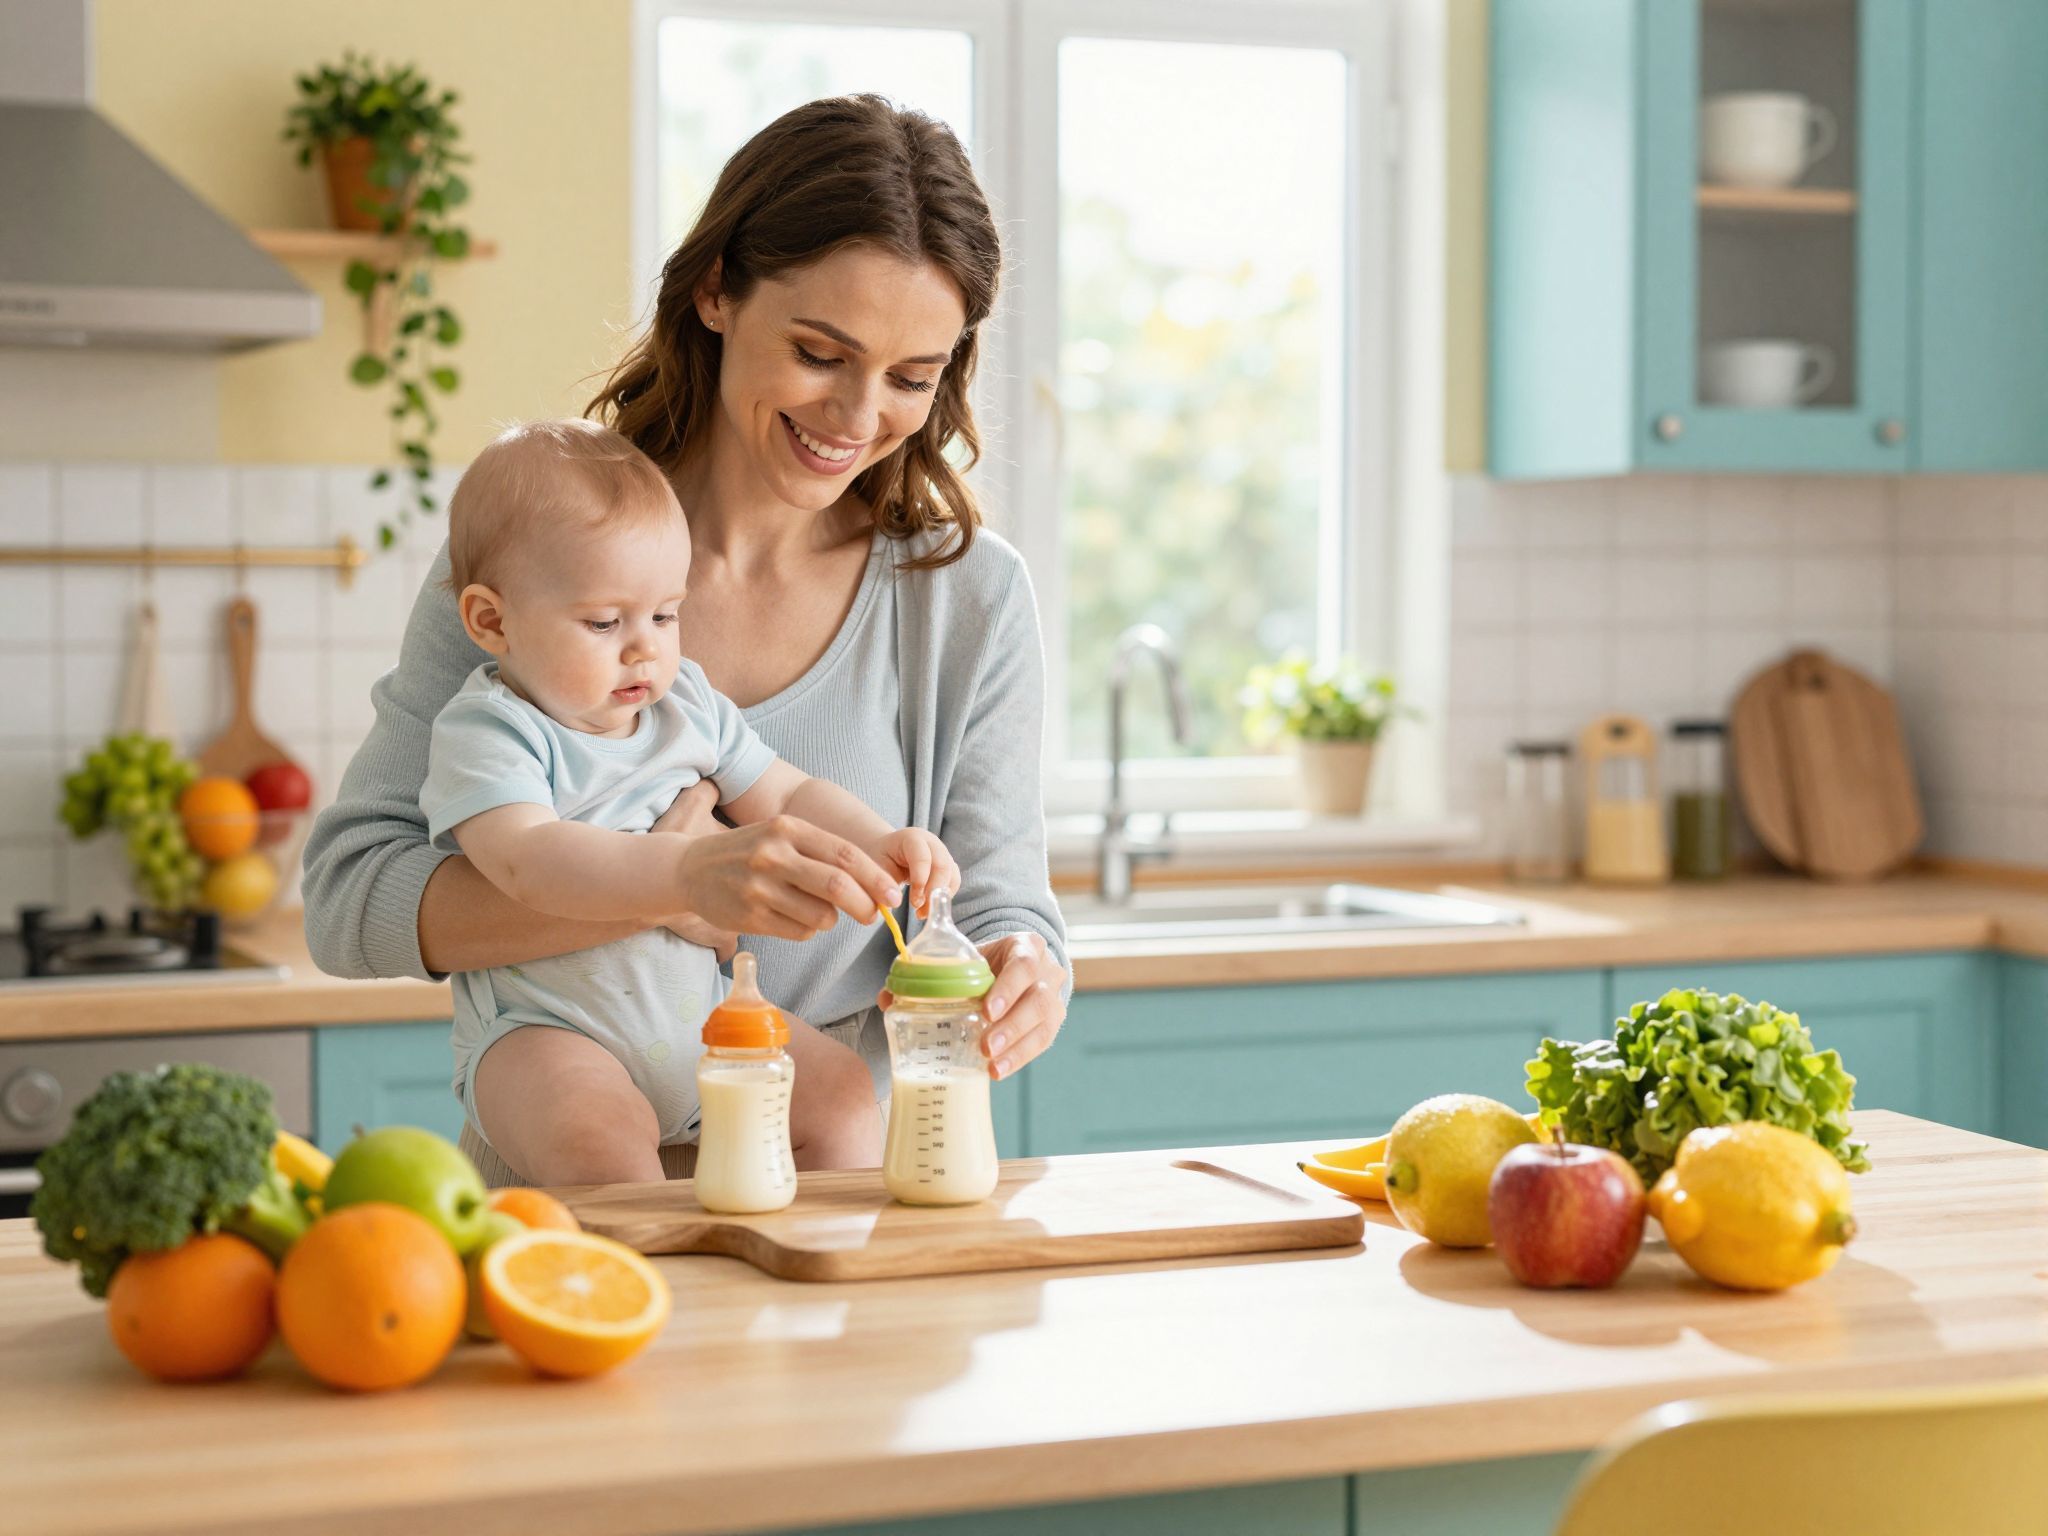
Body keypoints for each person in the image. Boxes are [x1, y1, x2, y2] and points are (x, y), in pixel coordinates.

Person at [302, 95, 1070, 1186]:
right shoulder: (540, 566)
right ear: (715, 290)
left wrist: (1021, 964)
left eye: (912, 377)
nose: (857, 415)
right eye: (819, 352)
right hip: (569, 1207)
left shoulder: (966, 595)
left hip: (832, 1201)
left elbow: (991, 900)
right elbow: (347, 899)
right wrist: (676, 882)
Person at [419, 419, 960, 1183]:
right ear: (491, 620)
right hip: (552, 1034)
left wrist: (877, 840)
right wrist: (684, 874)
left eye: (666, 615)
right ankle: (658, 1300)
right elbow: (528, 864)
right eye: (606, 622)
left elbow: (788, 791)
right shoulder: (491, 731)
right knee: (599, 1148)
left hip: (704, 1022)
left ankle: (823, 1279)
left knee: (841, 1095)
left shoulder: (689, 706)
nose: (645, 648)